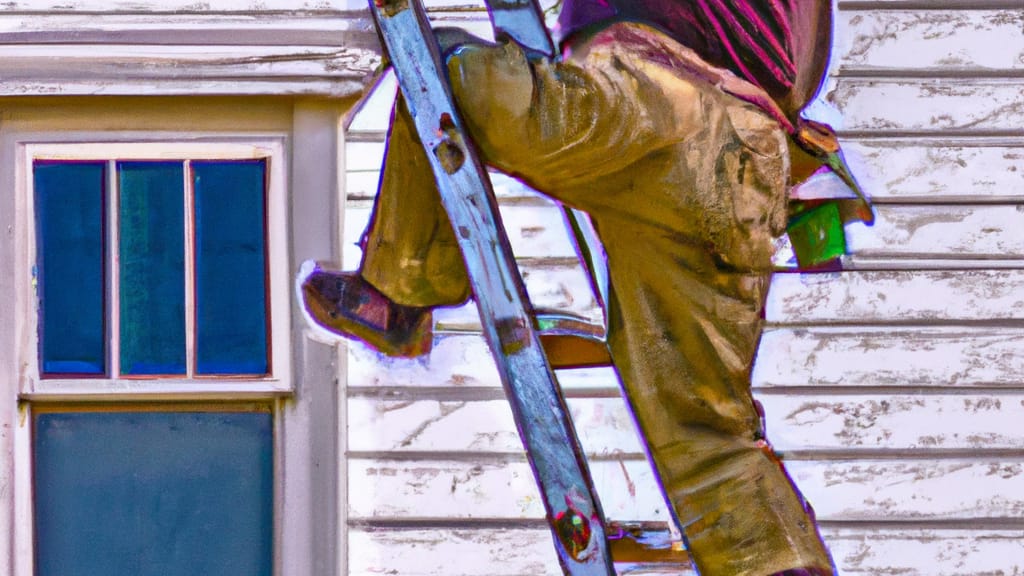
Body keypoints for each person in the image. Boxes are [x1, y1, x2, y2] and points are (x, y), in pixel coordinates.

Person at [301, 2, 864, 574]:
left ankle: (400, 293)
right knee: (706, 430)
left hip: (652, 99)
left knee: (443, 67)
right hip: (750, 155)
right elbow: (801, 71)